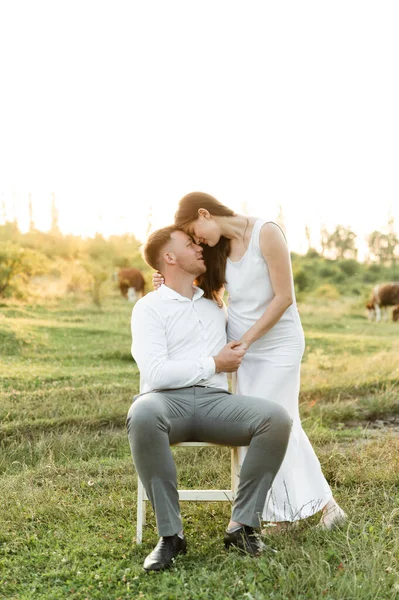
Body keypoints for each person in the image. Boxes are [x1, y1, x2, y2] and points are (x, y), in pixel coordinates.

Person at [153, 192, 347, 531]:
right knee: (260, 428)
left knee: (281, 421)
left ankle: (329, 507)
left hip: (278, 346)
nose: (198, 240)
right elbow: (204, 292)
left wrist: (248, 339)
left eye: (195, 231)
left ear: (205, 213)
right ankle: (281, 514)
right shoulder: (218, 250)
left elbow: (285, 297)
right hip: (242, 353)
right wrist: (166, 281)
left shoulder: (266, 233)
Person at [127, 225, 292, 571]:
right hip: (165, 404)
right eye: (190, 244)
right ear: (169, 258)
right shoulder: (148, 308)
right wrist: (213, 363)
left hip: (216, 403)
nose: (199, 249)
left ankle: (243, 526)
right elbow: (156, 373)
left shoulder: (216, 306)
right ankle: (171, 536)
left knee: (276, 419)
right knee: (142, 413)